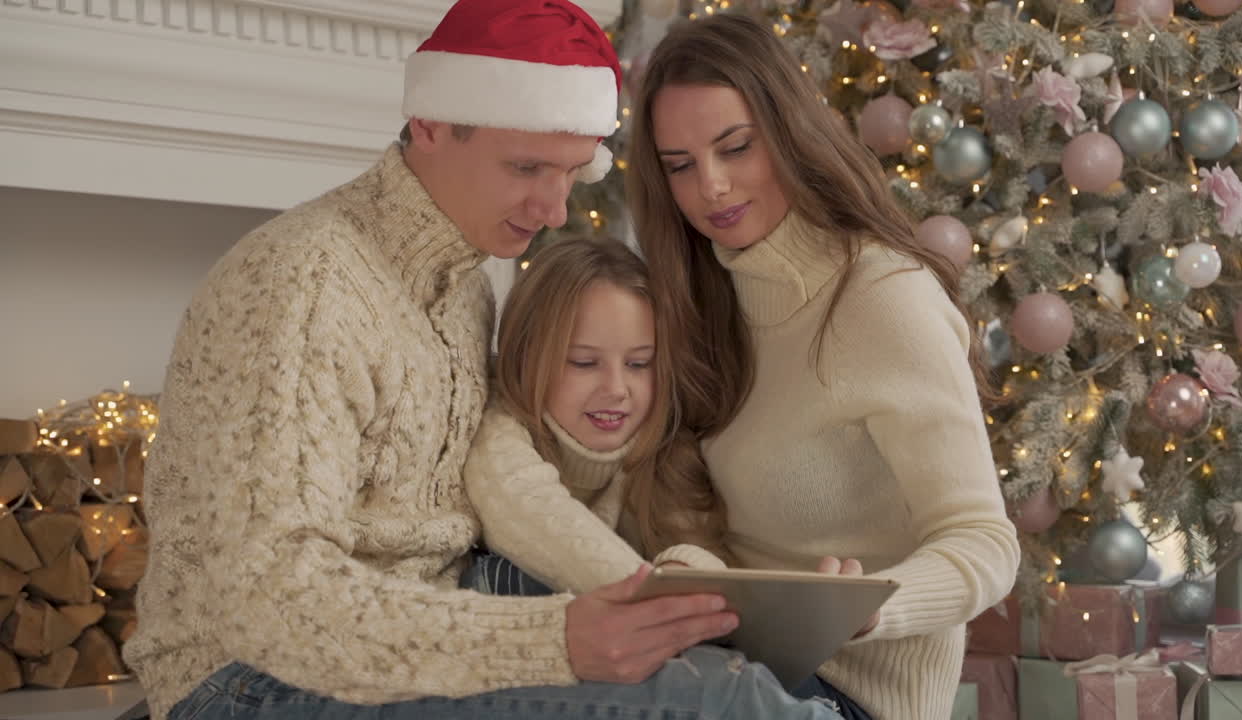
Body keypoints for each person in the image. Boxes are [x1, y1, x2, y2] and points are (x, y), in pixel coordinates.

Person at [124, 1, 843, 718]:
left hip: (435, 623)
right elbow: (269, 599)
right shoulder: (301, 283)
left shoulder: (467, 286)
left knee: (734, 662)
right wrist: (550, 640)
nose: (555, 209)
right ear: (431, 124)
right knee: (724, 703)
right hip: (249, 681)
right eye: (527, 167)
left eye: (570, 173)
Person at [627, 14, 1021, 720]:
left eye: (736, 148)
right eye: (680, 166)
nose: (710, 187)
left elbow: (986, 544)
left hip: (851, 699)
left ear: (787, 133)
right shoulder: (702, 297)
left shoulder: (881, 296)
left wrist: (867, 609)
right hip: (732, 664)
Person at [463, 238, 731, 599]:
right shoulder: (498, 425)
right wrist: (652, 595)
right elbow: (524, 507)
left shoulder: (665, 451)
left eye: (639, 364)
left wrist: (684, 571)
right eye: (584, 362)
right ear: (526, 360)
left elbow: (712, 564)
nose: (617, 388)